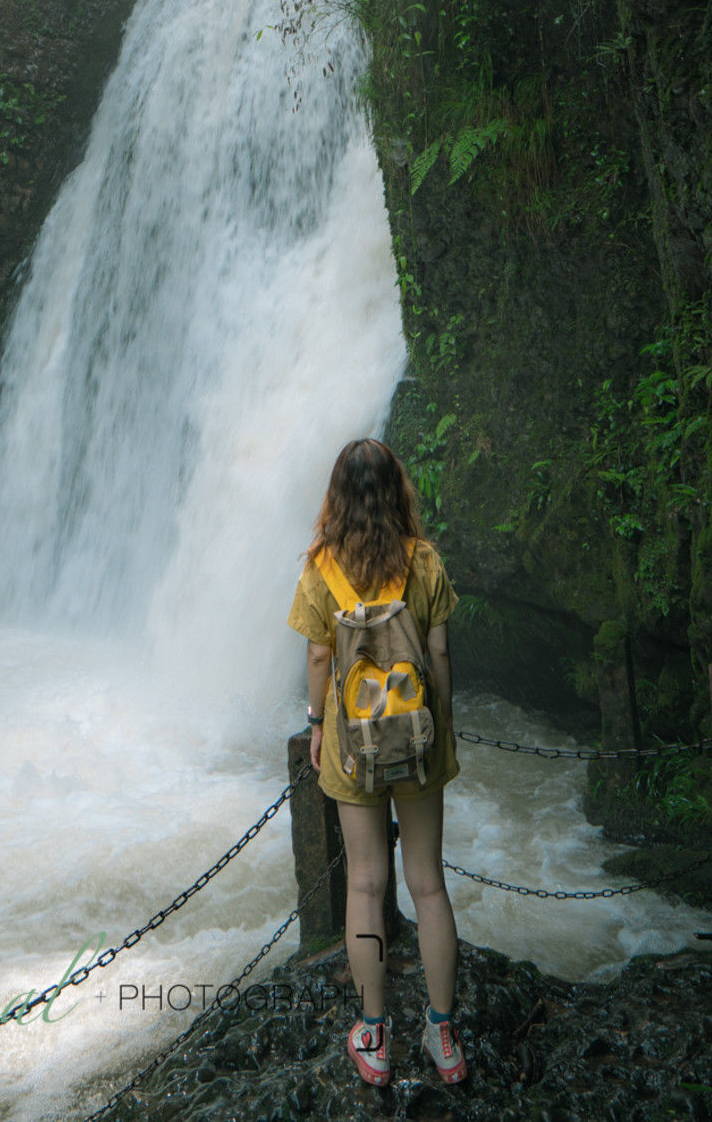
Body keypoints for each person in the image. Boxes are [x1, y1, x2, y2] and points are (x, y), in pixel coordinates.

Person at [287, 436, 466, 1089]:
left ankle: (375, 1033)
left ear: (338, 497)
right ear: (398, 490)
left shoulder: (320, 568)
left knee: (365, 884)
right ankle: (443, 1032)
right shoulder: (424, 563)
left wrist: (315, 725)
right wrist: (438, 724)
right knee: (427, 883)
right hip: (417, 745)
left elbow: (316, 660)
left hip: (353, 751)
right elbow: (440, 656)